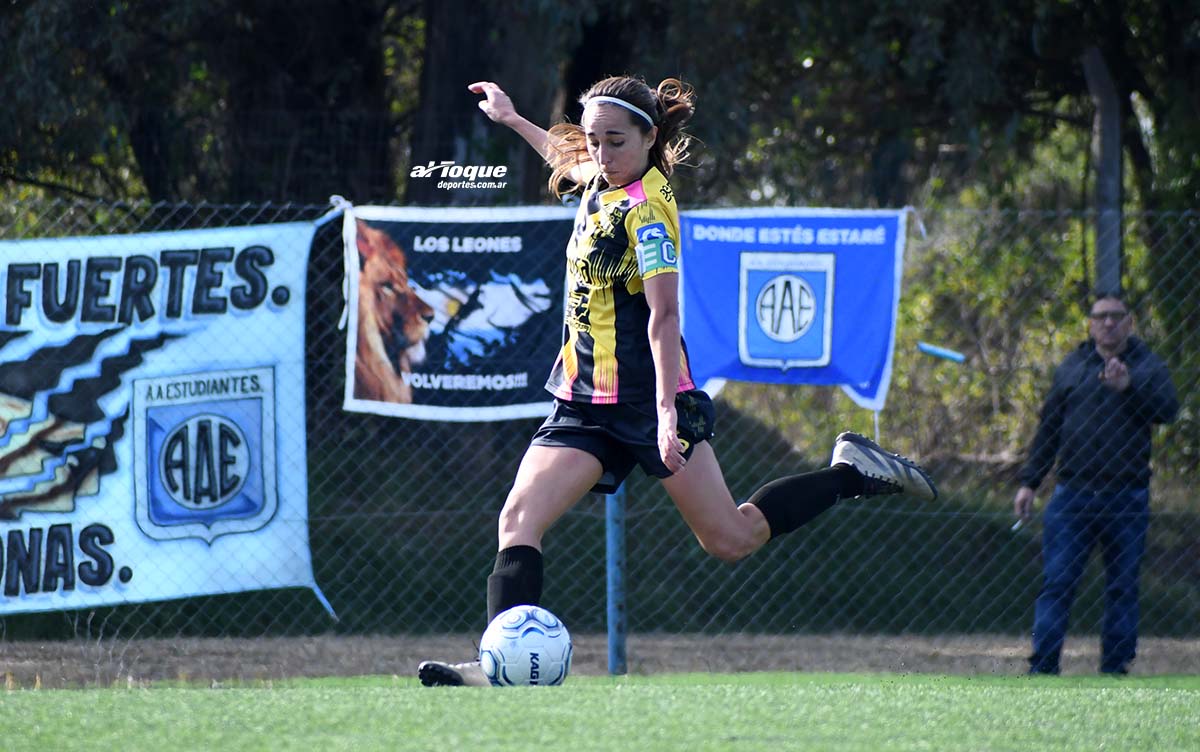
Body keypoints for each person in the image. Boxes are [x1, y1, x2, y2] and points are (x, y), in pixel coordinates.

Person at [418, 75, 938, 687]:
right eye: (594, 141)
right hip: (585, 399)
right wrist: (511, 119)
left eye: (615, 142)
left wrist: (668, 413)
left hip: (648, 398)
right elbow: (566, 159)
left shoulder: (648, 210)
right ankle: (495, 667)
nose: (601, 155)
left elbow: (664, 318)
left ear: (649, 137)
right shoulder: (599, 180)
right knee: (518, 520)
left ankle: (850, 471)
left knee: (731, 537)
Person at [1014, 291, 1178, 675]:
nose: (1109, 323)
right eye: (1101, 316)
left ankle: (1115, 669)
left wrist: (1129, 388)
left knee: (1123, 585)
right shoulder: (1073, 366)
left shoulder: (1148, 366)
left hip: (1127, 496)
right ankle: (1043, 668)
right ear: (1090, 323)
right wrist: (1029, 482)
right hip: (1073, 495)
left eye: (1117, 316)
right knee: (1058, 582)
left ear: (1129, 322)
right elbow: (1049, 428)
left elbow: (1168, 410)